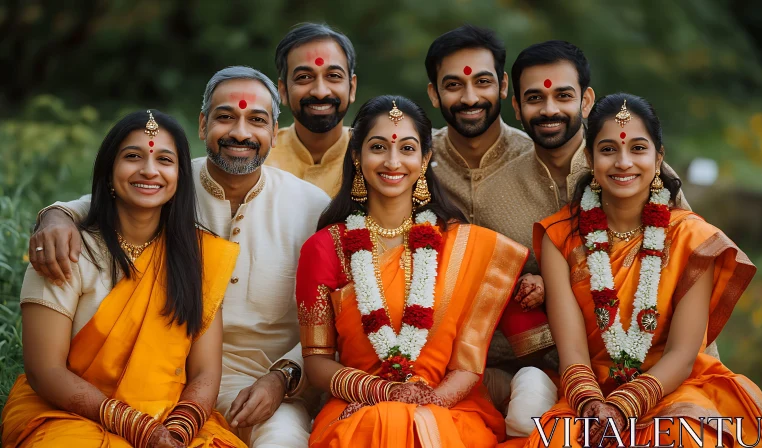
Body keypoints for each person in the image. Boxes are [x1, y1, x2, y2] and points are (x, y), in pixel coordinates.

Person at [27, 67, 331, 448]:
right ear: (203, 125)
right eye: (225, 117)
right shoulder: (168, 181)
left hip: (266, 382)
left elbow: (331, 319)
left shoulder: (313, 208)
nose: (240, 132)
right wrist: (53, 214)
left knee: (282, 441)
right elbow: (98, 207)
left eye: (256, 120)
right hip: (172, 382)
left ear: (274, 131)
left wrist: (284, 375)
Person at [508, 93, 762, 448]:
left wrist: (625, 406)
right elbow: (572, 352)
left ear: (658, 157)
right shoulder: (560, 238)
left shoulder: (692, 239)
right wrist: (594, 406)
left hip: (674, 388)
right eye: (607, 150)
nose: (623, 163)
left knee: (687, 438)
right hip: (589, 397)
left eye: (637, 149)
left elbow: (682, 355)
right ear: (588, 158)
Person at [295, 95, 532, 447]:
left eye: (407, 148)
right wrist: (384, 392)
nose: (393, 161)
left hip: (449, 407)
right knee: (385, 419)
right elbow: (317, 364)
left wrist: (431, 402)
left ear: (425, 159)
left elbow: (470, 364)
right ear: (357, 156)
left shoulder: (463, 245)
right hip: (360, 407)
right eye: (378, 147)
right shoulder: (324, 248)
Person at [2, 110, 245, 448]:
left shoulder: (198, 258)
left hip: (171, 419)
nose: (149, 170)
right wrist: (138, 429)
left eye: (164, 159)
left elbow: (205, 372)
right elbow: (45, 371)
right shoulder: (68, 250)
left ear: (179, 177)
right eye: (133, 156)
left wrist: (177, 430)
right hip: (72, 416)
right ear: (108, 172)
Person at [423, 26, 553, 415]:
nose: (469, 98)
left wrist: (551, 280)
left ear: (502, 86)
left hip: (538, 364)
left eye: (482, 82)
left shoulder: (544, 160)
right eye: (452, 85)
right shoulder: (413, 163)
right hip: (436, 367)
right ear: (433, 93)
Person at [266, 22, 357, 197]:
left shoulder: (376, 158)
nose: (321, 92)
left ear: (352, 88)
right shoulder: (259, 159)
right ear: (283, 90)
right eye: (304, 77)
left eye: (333, 76)